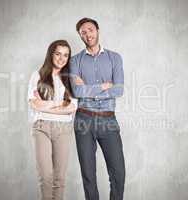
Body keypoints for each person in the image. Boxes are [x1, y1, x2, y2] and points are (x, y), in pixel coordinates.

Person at [70, 18, 125, 200]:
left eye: (90, 30)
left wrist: (89, 91)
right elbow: (77, 91)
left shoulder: (114, 58)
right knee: (88, 175)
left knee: (118, 173)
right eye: (83, 32)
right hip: (83, 120)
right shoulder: (75, 61)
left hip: (108, 120)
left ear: (98, 30)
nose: (87, 35)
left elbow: (118, 89)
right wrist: (103, 87)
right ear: (80, 36)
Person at [27, 40, 76, 200]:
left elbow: (72, 107)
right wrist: (60, 103)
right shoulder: (38, 75)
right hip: (41, 128)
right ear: (51, 54)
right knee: (46, 177)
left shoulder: (70, 79)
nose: (61, 58)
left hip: (63, 130)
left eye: (65, 55)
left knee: (59, 179)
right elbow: (35, 104)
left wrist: (46, 104)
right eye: (58, 54)